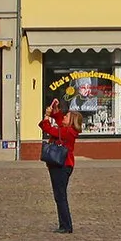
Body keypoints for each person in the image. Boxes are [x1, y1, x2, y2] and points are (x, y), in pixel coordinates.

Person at [39, 97, 79, 233]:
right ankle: (64, 224)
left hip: (62, 166)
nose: (64, 117)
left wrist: (46, 117)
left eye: (67, 116)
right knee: (59, 196)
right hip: (60, 165)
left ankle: (66, 226)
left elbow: (50, 130)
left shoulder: (68, 132)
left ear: (71, 120)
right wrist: (55, 110)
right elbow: (59, 121)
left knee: (60, 196)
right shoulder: (67, 130)